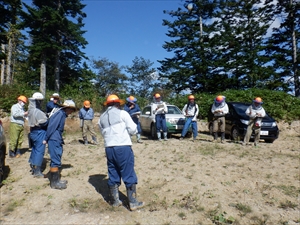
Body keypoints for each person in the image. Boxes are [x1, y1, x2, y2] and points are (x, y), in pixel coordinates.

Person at [98, 94, 144, 211]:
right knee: (128, 172)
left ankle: (115, 201)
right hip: (122, 146)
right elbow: (133, 129)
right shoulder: (123, 113)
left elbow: (102, 132)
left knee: (113, 171)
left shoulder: (101, 117)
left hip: (109, 148)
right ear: (117, 103)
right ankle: (133, 202)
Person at [43, 99, 76, 189]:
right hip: (54, 139)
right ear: (67, 108)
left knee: (57, 157)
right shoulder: (59, 114)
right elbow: (52, 126)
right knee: (55, 159)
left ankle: (55, 179)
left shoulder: (61, 114)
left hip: (56, 138)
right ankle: (54, 183)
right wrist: (46, 138)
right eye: (71, 110)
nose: (71, 112)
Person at [28, 92, 48, 178]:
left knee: (35, 149)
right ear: (38, 101)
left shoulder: (31, 110)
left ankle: (33, 165)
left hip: (33, 131)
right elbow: (44, 123)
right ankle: (37, 171)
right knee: (39, 151)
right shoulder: (37, 111)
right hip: (39, 132)